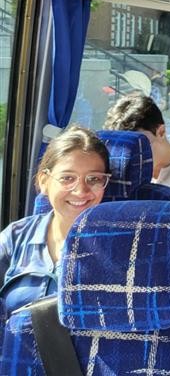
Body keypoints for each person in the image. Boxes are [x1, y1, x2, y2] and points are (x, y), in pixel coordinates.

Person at [0, 126, 110, 320]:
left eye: (94, 179)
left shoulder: (123, 244)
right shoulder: (16, 237)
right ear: (44, 181)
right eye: (67, 178)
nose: (81, 191)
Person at [104, 93, 170, 201]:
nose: (132, 155)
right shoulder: (117, 173)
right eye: (124, 150)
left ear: (161, 132)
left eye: (141, 145)